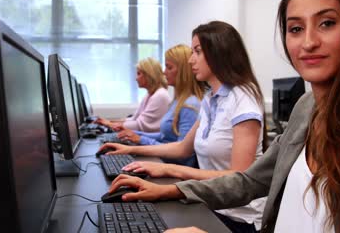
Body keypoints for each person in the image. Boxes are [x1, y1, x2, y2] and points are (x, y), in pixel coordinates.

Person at [105, 0, 340, 233]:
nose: (309, 42)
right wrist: (170, 190)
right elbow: (250, 180)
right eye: (295, 29)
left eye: (327, 23)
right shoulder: (306, 107)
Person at [99, 21, 268, 233]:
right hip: (211, 205)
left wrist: (168, 169)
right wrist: (132, 150)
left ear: (218, 53)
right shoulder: (211, 98)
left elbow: (238, 178)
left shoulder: (244, 98)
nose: (190, 59)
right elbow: (182, 148)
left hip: (239, 219)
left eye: (197, 51)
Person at [116, 44, 206, 167]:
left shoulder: (190, 105)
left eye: (169, 67)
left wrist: (141, 140)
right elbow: (165, 137)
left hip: (176, 172)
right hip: (166, 163)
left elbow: (184, 156)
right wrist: (137, 135)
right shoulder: (178, 101)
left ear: (183, 72)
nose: (164, 72)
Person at [96, 57, 171, 132]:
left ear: (149, 75)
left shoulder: (160, 95)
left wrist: (109, 124)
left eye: (139, 74)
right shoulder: (150, 94)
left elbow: (139, 126)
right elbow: (134, 119)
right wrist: (109, 122)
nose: (136, 78)